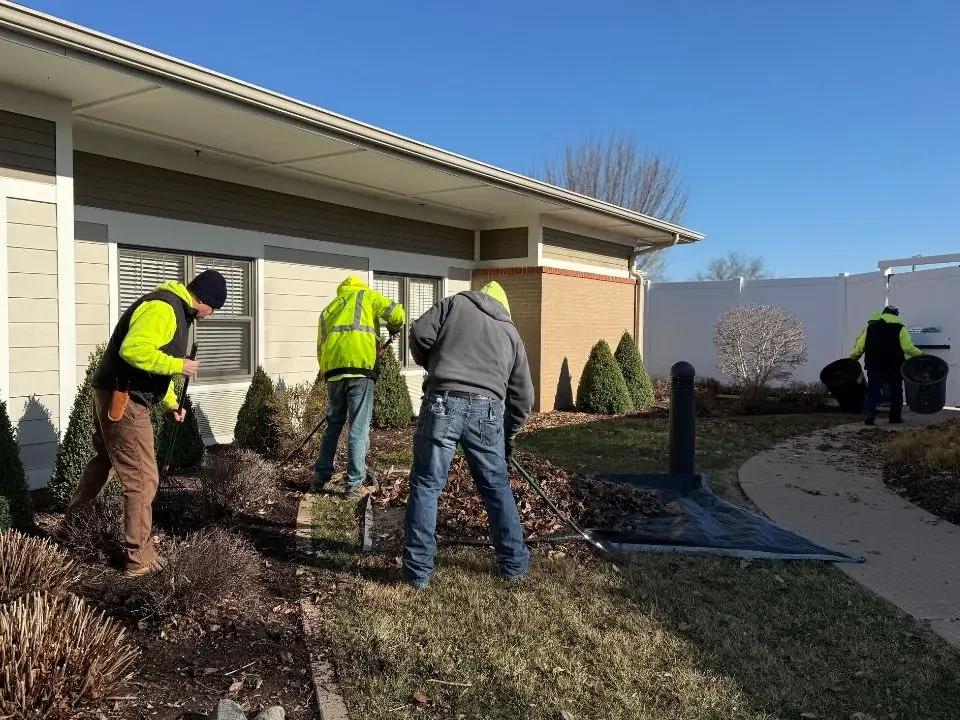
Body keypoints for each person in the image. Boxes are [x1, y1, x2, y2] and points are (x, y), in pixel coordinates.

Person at [69, 269, 227, 577]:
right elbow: (134, 350)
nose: (212, 315)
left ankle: (73, 526)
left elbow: (155, 367)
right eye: (214, 308)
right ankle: (138, 558)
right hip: (124, 398)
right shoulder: (164, 308)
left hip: (116, 393)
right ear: (205, 300)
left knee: (104, 462)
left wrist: (170, 403)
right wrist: (178, 364)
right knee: (143, 478)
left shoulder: (177, 311)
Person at [402, 281, 535, 590]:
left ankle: (416, 575)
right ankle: (513, 565)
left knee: (426, 485)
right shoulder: (510, 332)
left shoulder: (453, 305)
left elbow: (419, 333)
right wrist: (509, 437)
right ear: (503, 306)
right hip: (487, 412)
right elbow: (523, 397)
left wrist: (433, 361)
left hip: (442, 403)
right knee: (496, 489)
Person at [314, 275, 405, 497]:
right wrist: (394, 328)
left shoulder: (329, 309)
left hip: (333, 373)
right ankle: (354, 482)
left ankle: (320, 477)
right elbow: (397, 314)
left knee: (333, 425)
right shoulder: (367, 296)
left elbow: (320, 347)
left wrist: (328, 372)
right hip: (361, 370)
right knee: (358, 426)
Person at [850, 304, 922, 425]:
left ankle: (869, 415)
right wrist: (920, 354)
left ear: (883, 314)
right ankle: (894, 418)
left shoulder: (871, 328)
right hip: (894, 367)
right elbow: (908, 347)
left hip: (874, 366)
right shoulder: (900, 328)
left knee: (873, 391)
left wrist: (853, 359)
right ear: (897, 315)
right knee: (896, 392)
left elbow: (859, 348)